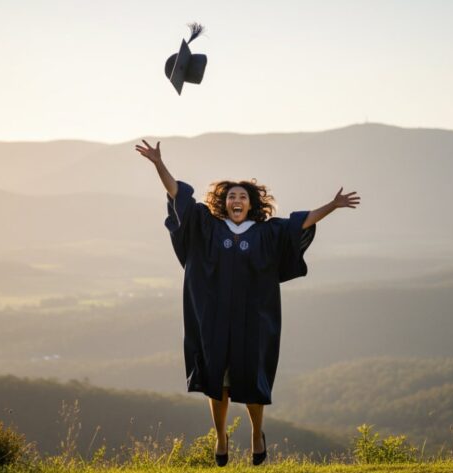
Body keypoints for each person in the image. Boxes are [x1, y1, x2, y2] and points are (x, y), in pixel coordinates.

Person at [135, 139, 360, 466]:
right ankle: (221, 437)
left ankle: (257, 433)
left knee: (252, 380)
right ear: (223, 203)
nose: (236, 200)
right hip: (214, 320)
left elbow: (303, 222)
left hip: (253, 321)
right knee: (217, 381)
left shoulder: (267, 233)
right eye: (231, 196)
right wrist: (158, 163)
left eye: (242, 196)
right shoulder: (208, 227)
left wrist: (332, 205)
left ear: (251, 203)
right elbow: (178, 196)